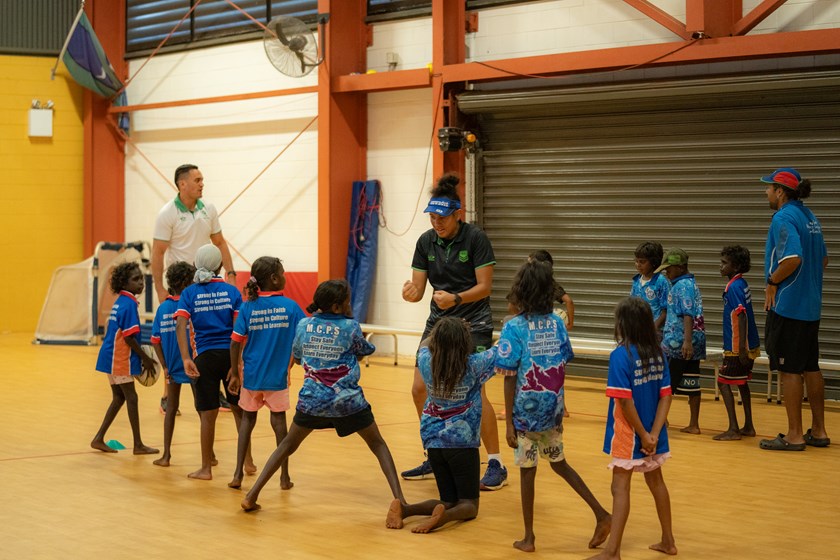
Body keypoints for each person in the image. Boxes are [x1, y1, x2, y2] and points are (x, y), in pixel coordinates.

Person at [241, 280, 408, 526]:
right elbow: (364, 350)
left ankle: (252, 495)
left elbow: (297, 358)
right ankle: (400, 500)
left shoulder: (304, 324)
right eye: (348, 301)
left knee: (286, 445)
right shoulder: (351, 326)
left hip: (312, 402)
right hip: (348, 402)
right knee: (378, 445)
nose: (350, 305)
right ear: (338, 306)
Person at [496, 260, 610, 553]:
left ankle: (529, 537)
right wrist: (558, 406)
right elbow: (562, 364)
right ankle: (601, 514)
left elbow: (509, 378)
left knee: (527, 472)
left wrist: (508, 422)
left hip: (525, 415)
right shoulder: (558, 323)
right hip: (552, 412)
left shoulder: (514, 328)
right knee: (559, 464)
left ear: (519, 291)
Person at [401, 173, 506, 490]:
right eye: (432, 218)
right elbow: (419, 289)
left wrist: (457, 298)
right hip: (439, 323)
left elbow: (485, 288)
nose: (437, 223)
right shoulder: (425, 242)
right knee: (419, 388)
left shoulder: (475, 239)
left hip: (473, 321)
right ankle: (435, 453)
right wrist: (410, 292)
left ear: (457, 214)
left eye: (442, 218)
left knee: (478, 391)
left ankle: (496, 463)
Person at [388, 316, 497, 533]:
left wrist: (435, 333)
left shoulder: (427, 362)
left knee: (446, 499)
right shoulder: (474, 365)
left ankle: (405, 509)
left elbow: (423, 345)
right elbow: (503, 349)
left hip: (433, 442)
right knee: (469, 504)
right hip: (462, 444)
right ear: (465, 342)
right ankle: (444, 518)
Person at [587, 297, 675, 560]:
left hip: (629, 432)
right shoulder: (658, 353)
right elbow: (666, 395)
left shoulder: (621, 355)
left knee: (619, 487)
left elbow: (624, 403)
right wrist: (654, 433)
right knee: (656, 481)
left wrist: (642, 435)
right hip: (654, 431)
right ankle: (668, 541)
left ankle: (612, 551)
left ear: (622, 324)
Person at [153, 163, 236, 414]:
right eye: (197, 180)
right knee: (174, 337)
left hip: (208, 283)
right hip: (181, 286)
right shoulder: (167, 213)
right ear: (182, 184)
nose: (202, 184)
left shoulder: (208, 209)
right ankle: (168, 394)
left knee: (208, 335)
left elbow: (220, 242)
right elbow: (157, 252)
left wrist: (231, 275)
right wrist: (160, 290)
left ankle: (216, 389)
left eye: (202, 179)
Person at [759, 167, 830, 451]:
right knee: (810, 367)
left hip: (788, 306)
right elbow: (822, 260)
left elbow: (792, 258)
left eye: (768, 188)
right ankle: (820, 431)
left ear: (780, 191)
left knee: (789, 371)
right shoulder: (810, 217)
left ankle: (794, 435)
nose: (766, 192)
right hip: (811, 306)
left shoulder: (783, 217)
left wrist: (772, 282)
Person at [228, 257, 305, 489]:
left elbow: (235, 343)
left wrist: (234, 372)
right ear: (273, 278)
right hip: (277, 377)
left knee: (247, 421)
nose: (285, 276)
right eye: (282, 273)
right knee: (279, 423)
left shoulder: (247, 307)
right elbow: (304, 335)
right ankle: (284, 477)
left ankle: (237, 475)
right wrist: (300, 359)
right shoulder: (291, 307)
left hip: (251, 376)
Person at [174, 244, 247, 480]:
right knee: (239, 409)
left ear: (196, 264)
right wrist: (239, 365)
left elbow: (181, 325)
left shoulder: (189, 293)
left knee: (208, 414)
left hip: (203, 358)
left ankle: (206, 468)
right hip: (230, 356)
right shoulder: (232, 292)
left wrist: (186, 358)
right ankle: (248, 462)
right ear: (219, 267)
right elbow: (240, 330)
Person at [90, 262, 159, 455]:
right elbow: (129, 337)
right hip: (118, 359)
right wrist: (145, 358)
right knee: (131, 397)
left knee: (119, 398)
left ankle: (98, 438)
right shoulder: (128, 305)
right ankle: (138, 445)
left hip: (109, 357)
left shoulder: (121, 301)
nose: (141, 283)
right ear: (123, 283)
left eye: (141, 278)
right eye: (135, 279)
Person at [655, 248, 705, 434]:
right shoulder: (689, 283)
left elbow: (687, 314)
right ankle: (694, 424)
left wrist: (687, 341)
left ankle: (661, 421)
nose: (666, 272)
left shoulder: (681, 286)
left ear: (681, 267)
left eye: (669, 268)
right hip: (691, 342)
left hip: (678, 344)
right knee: (692, 381)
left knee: (665, 384)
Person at [150, 261, 195, 466]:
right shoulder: (191, 305)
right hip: (193, 365)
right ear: (187, 283)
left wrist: (165, 366)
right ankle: (209, 456)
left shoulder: (163, 308)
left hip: (173, 367)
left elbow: (155, 341)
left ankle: (166, 455)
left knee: (170, 408)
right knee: (203, 408)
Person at [714, 245, 759, 441]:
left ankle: (733, 428)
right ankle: (748, 425)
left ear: (736, 266)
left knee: (723, 383)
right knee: (742, 384)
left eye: (725, 263)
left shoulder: (733, 287)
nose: (720, 266)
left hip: (737, 347)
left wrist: (741, 349)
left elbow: (741, 316)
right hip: (749, 344)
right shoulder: (741, 284)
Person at [529, 250, 575, 330]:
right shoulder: (550, 283)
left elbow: (512, 305)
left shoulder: (524, 282)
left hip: (529, 325)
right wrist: (570, 324)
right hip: (546, 328)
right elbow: (569, 301)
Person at [630, 241, 669, 333]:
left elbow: (666, 310)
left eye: (642, 262)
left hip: (656, 332)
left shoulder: (661, 282)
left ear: (653, 262)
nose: (638, 265)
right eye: (636, 261)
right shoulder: (636, 281)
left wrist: (655, 327)